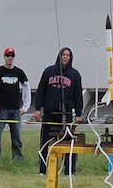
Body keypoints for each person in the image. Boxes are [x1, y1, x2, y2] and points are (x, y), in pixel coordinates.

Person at [33, 47, 83, 175]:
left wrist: (78, 114)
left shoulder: (75, 74)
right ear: (59, 56)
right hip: (49, 113)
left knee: (68, 143)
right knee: (45, 142)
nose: (65, 57)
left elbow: (78, 95)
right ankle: (43, 170)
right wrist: (37, 109)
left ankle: (69, 171)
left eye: (68, 55)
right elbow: (40, 91)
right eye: (63, 54)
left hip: (66, 115)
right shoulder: (49, 71)